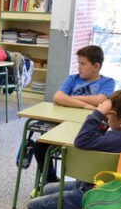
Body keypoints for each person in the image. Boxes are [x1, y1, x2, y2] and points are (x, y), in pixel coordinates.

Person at [33, 45, 116, 184]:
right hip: (65, 124)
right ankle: (50, 180)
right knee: (40, 145)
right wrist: (85, 105)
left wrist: (69, 98)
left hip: (90, 129)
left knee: (84, 151)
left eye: (83, 64)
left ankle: (83, 184)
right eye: (78, 63)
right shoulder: (73, 79)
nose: (79, 67)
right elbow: (58, 97)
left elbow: (101, 100)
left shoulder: (108, 82)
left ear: (96, 66)